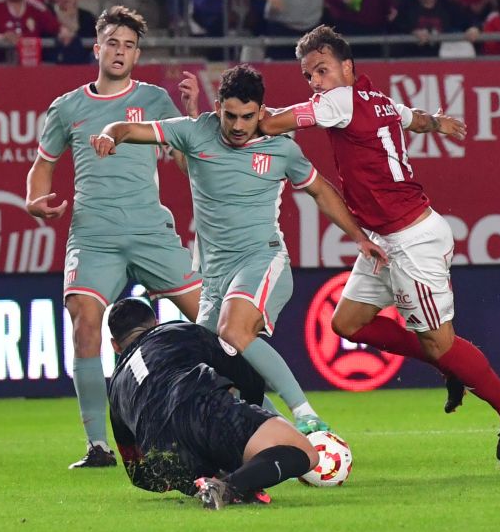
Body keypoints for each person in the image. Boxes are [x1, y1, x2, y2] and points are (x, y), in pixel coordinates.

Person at [237, 27, 500, 462]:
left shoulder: (339, 101)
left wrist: (249, 112)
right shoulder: (375, 100)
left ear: (347, 67)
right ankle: (448, 362)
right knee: (348, 323)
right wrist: (439, 123)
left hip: (412, 239)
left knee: (439, 342)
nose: (316, 82)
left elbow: (268, 123)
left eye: (321, 70)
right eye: (308, 76)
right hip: (384, 238)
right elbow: (411, 117)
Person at [96, 64, 374, 437]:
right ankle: (274, 431)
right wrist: (108, 134)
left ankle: (306, 415)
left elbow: (321, 191)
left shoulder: (281, 148)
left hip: (261, 259)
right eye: (230, 116)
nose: (239, 126)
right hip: (213, 277)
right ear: (218, 107)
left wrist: (359, 237)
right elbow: (129, 128)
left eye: (247, 116)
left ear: (261, 112)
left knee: (233, 331)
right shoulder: (196, 131)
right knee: (216, 366)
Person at [24, 6, 200, 468]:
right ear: (97, 48)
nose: (119, 52)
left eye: (128, 45)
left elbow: (187, 161)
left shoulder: (156, 100)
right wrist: (34, 201)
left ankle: (256, 414)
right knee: (85, 323)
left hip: (149, 230)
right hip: (93, 235)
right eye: (112, 43)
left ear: (136, 55)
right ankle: (98, 446)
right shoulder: (67, 107)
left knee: (215, 320)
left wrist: (192, 115)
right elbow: (42, 167)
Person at [98, 296, 318, 510]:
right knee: (303, 452)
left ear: (115, 345)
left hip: (163, 455)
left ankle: (215, 480)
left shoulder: (116, 388)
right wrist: (249, 417)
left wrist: (175, 476)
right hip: (200, 407)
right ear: (156, 322)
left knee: (216, 458)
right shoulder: (180, 331)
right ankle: (231, 486)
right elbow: (247, 377)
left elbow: (139, 475)